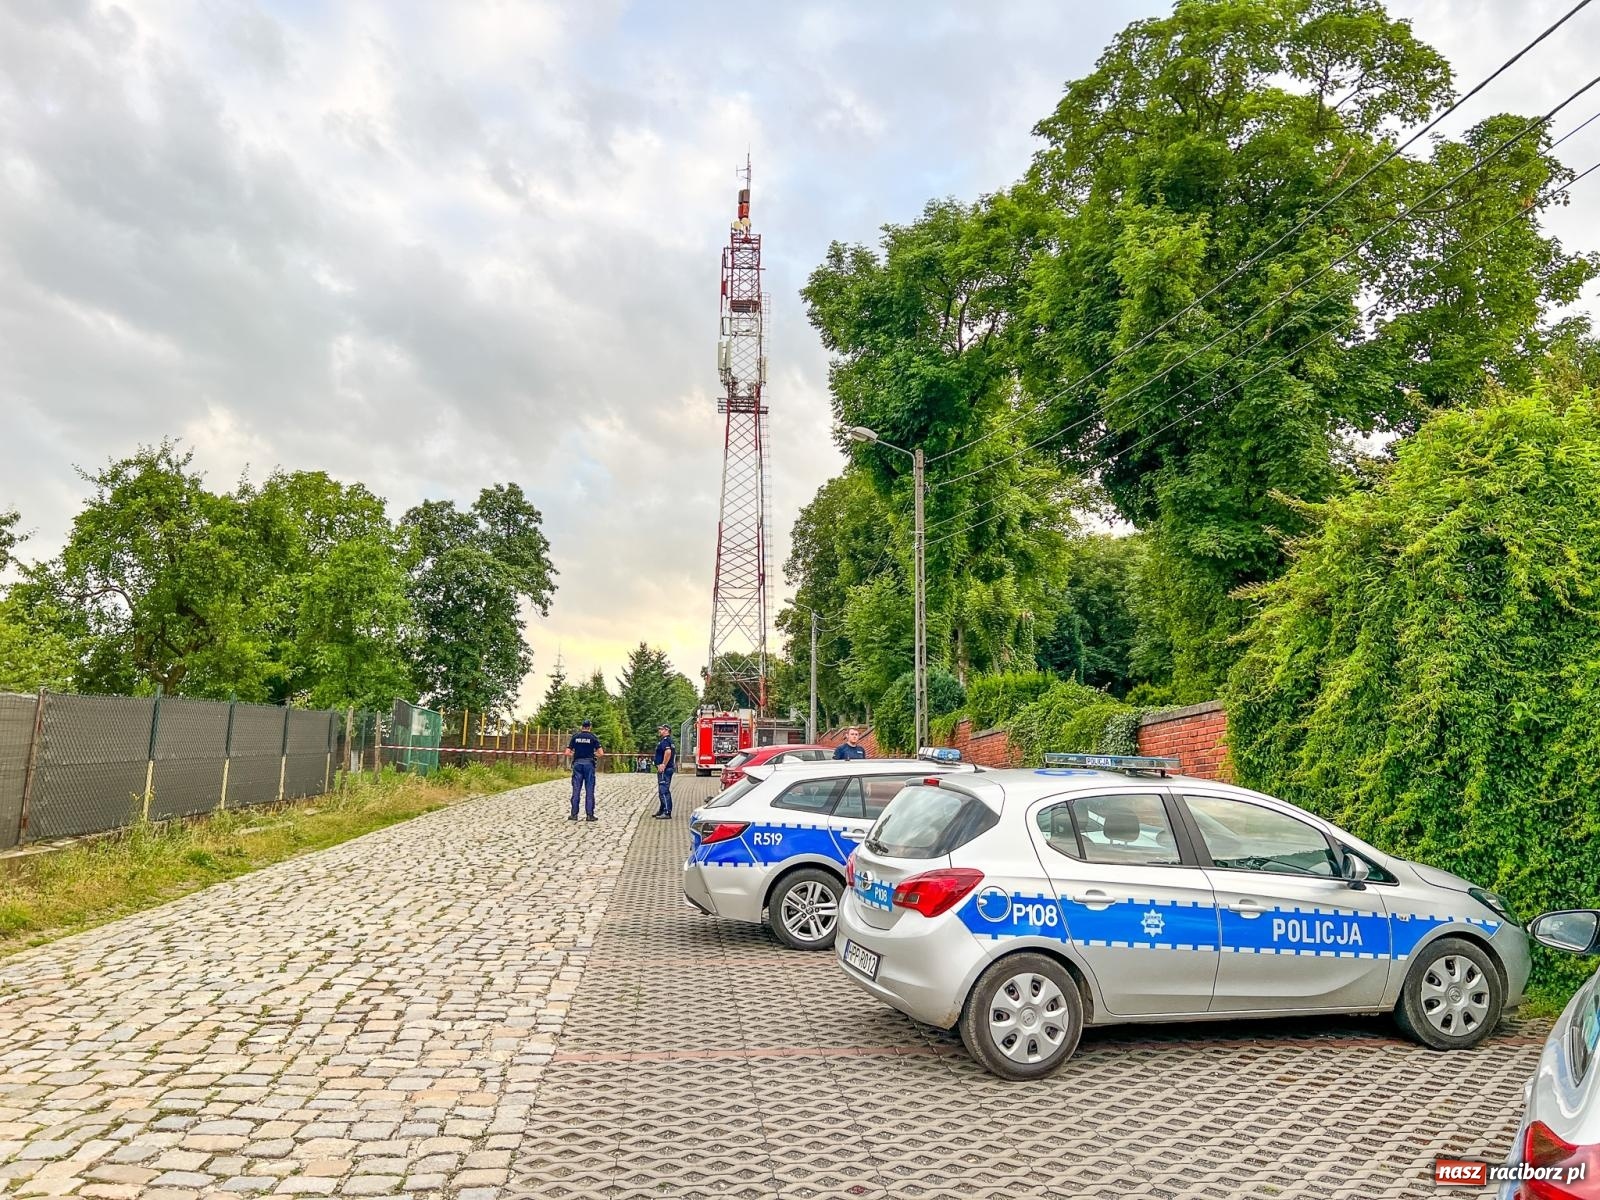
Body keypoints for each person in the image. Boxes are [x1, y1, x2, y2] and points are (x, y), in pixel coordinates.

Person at [567, 719, 603, 821]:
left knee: (576, 789)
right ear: (590, 727)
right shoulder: (593, 737)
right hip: (589, 765)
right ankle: (589, 815)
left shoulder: (575, 737)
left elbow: (567, 752)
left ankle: (574, 814)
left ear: (581, 727)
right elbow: (601, 753)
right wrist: (593, 754)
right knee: (589, 790)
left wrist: (575, 754)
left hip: (577, 764)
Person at [652, 723, 676, 819]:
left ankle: (667, 812)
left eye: (661, 729)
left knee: (664, 790)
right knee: (662, 790)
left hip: (665, 769)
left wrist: (663, 764)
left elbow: (668, 752)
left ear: (667, 730)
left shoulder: (665, 741)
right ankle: (662, 810)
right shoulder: (669, 741)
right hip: (667, 768)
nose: (659, 731)